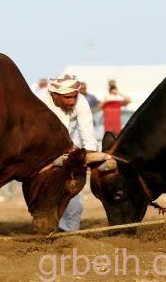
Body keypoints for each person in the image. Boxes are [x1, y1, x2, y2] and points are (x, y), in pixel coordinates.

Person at [36, 74, 97, 231]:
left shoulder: (80, 101)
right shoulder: (39, 102)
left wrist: (89, 156)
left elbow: (87, 132)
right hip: (45, 156)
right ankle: (50, 231)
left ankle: (70, 236)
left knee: (74, 203)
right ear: (54, 96)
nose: (72, 101)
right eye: (67, 97)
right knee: (47, 201)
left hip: (72, 153)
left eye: (74, 96)